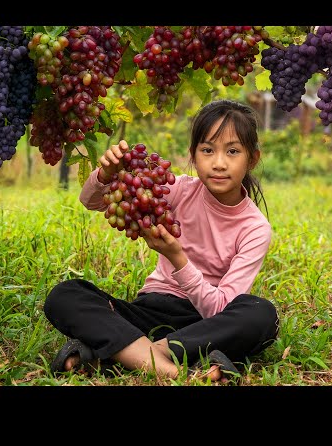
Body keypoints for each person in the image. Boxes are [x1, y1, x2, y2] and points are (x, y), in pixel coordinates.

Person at [43, 99, 279, 384]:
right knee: (65, 295)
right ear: (193, 155)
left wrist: (177, 258)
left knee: (262, 315)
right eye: (207, 150)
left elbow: (220, 309)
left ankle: (124, 354)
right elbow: (91, 201)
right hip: (148, 312)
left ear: (251, 159)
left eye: (232, 151)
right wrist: (105, 174)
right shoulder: (180, 190)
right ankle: (175, 370)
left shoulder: (254, 228)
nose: (219, 163)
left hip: (203, 325)